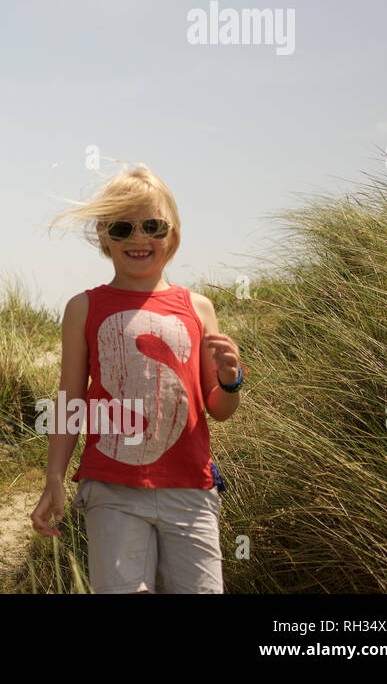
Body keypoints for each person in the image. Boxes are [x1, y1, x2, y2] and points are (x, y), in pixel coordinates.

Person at [29, 164, 246, 593]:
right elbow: (70, 398)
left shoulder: (197, 307)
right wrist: (54, 476)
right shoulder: (83, 307)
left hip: (191, 490)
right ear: (103, 236)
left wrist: (231, 379)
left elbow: (218, 409)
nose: (139, 238)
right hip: (112, 490)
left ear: (173, 234)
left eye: (152, 225)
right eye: (122, 228)